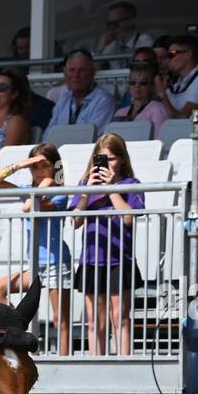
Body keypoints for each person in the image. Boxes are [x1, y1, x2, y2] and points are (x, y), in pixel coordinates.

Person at [0, 144, 74, 354]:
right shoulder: (30, 190)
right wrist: (21, 164)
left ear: (55, 167)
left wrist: (48, 181)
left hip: (56, 261)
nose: (39, 170)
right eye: (35, 167)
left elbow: (28, 207)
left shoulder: (59, 194)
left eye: (44, 165)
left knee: (59, 318)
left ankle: (63, 362)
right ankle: (19, 331)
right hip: (34, 263)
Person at [71, 134, 144, 356]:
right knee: (94, 319)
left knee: (119, 316)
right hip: (91, 259)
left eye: (111, 159)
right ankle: (96, 364)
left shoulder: (131, 184)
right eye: (100, 159)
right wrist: (87, 192)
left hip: (119, 259)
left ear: (122, 159)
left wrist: (112, 187)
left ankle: (124, 363)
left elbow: (129, 218)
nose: (106, 164)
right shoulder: (86, 185)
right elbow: (75, 221)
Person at [47, 51, 116, 132]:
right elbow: (48, 135)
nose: (76, 75)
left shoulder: (104, 100)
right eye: (72, 70)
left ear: (93, 73)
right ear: (65, 74)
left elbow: (94, 138)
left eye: (82, 70)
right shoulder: (63, 99)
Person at [159, 36, 198, 119]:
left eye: (172, 54)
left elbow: (182, 119)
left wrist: (161, 94)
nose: (168, 60)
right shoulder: (176, 85)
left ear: (188, 54)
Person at [114, 62, 171, 133]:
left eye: (143, 83)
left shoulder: (158, 109)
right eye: (133, 82)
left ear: (152, 86)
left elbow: (159, 141)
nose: (137, 86)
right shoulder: (120, 112)